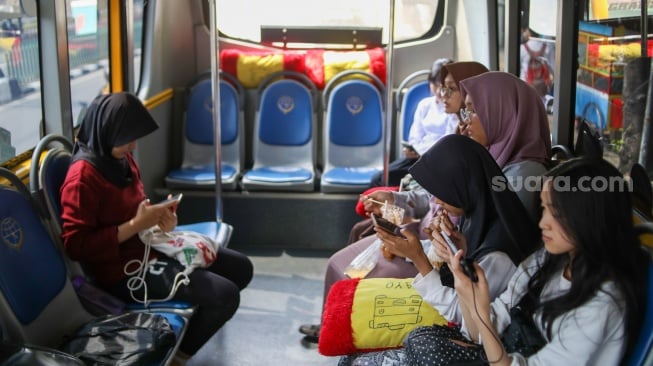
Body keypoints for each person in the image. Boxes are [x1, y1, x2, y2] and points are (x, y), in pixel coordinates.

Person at [60, 92, 254, 363]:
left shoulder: (120, 159)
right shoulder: (82, 178)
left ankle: (183, 333)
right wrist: (137, 224)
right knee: (224, 296)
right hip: (122, 272)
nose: (132, 146)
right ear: (106, 132)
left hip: (150, 245)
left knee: (241, 268)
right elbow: (76, 246)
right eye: (126, 140)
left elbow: (136, 206)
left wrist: (161, 219)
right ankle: (177, 356)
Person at [301, 134, 540, 348]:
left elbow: (464, 316)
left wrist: (419, 258)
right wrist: (452, 249)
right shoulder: (479, 219)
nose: (435, 199)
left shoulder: (498, 255)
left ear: (464, 187)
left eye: (441, 191)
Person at [440, 157, 649, 365]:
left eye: (556, 214)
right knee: (421, 343)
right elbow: (479, 334)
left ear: (589, 217)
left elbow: (486, 330)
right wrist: (467, 293)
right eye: (544, 208)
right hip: (510, 352)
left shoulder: (602, 305)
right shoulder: (548, 260)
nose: (542, 223)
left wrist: (482, 315)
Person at [348, 61, 490, 244]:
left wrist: (404, 222)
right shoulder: (459, 132)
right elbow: (433, 201)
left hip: (433, 242)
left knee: (363, 237)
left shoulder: (470, 148)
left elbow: (444, 213)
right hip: (427, 229)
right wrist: (392, 201)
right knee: (362, 229)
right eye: (442, 88)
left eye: (451, 89)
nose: (442, 95)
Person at [459, 71, 552, 219]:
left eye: (474, 111)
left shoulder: (525, 173)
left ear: (504, 113)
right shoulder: (495, 154)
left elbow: (500, 234)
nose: (466, 121)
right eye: (466, 111)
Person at [369, 58, 458, 187]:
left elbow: (448, 140)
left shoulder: (453, 108)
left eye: (444, 87)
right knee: (378, 179)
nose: (440, 91)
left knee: (412, 185)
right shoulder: (425, 105)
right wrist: (413, 150)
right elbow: (415, 137)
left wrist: (424, 151)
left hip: (438, 161)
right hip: (417, 158)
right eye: (435, 85)